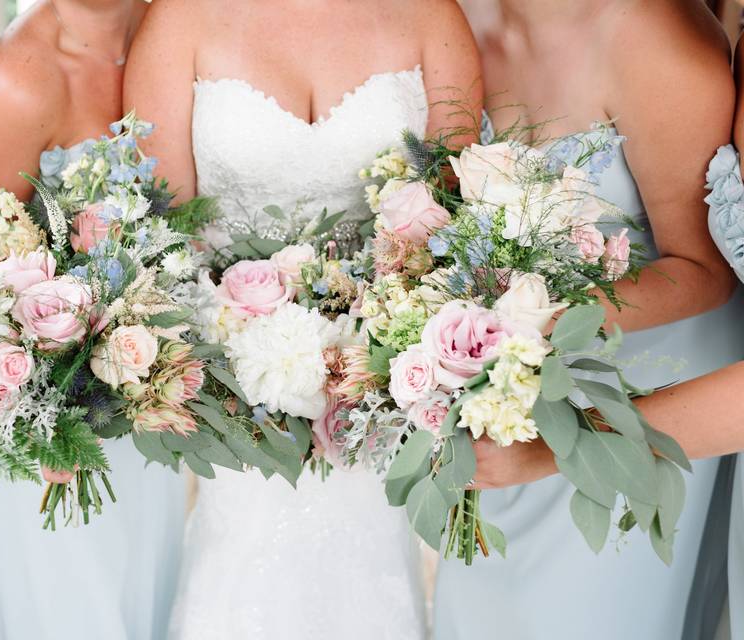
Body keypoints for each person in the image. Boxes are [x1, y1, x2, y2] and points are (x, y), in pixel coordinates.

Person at [124, 1, 482, 638]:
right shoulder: (178, 20)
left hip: (378, 386)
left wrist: (378, 352)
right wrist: (236, 350)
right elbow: (162, 237)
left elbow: (454, 228)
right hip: (238, 398)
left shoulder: (432, 16)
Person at [442, 1, 744, 639]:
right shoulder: (450, 18)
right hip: (495, 395)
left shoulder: (656, 39)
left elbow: (707, 269)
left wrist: (533, 322)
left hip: (642, 387)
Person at [0, 2, 185, 638]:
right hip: (59, 410)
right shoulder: (22, 80)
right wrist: (46, 413)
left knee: (150, 591)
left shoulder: (167, 29)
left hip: (150, 384)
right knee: (72, 605)